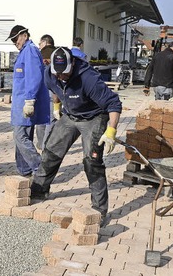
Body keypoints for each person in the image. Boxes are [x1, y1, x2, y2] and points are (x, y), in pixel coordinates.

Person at [31, 47, 122, 225]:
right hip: (70, 116)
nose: (61, 77)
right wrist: (57, 107)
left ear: (72, 63)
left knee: (92, 161)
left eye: (64, 73)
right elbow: (56, 90)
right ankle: (39, 190)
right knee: (50, 151)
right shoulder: (50, 74)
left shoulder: (88, 78)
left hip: (94, 117)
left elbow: (114, 104)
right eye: (57, 74)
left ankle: (99, 210)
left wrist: (111, 130)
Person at [5, 25, 50, 177]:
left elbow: (34, 76)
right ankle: (24, 171)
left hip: (26, 102)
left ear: (24, 35)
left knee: (20, 136)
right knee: (24, 136)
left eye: (15, 39)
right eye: (12, 40)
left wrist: (30, 100)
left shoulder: (30, 51)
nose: (14, 42)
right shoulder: (24, 51)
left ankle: (40, 168)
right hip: (20, 103)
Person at [36, 34, 58, 151]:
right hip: (42, 93)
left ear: (45, 43)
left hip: (51, 93)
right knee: (41, 120)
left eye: (40, 44)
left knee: (50, 120)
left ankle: (45, 147)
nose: (39, 46)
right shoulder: (41, 57)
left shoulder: (56, 57)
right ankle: (42, 145)